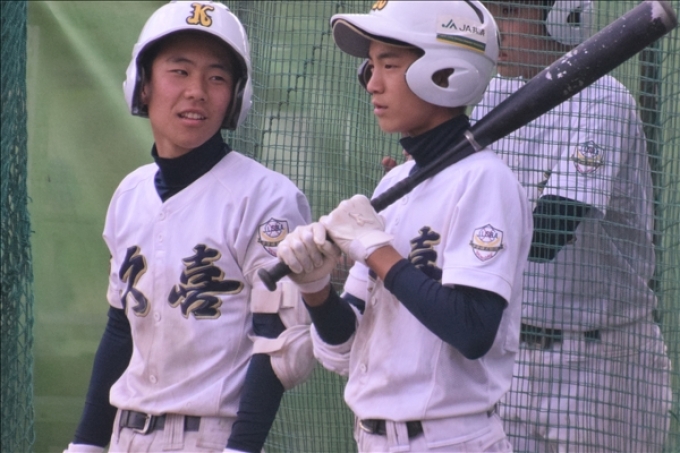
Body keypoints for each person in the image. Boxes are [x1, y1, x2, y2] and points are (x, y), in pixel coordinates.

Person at [276, 1, 534, 452]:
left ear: (445, 71)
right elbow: (343, 347)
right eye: (371, 66)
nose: (372, 83)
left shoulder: (484, 180)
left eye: (389, 65)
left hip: (451, 440)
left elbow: (472, 330)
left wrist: (376, 250)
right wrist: (315, 288)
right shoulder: (396, 182)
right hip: (372, 438)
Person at [63, 2, 316, 452]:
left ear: (235, 96)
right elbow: (121, 328)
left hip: (210, 436)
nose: (197, 91)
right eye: (179, 71)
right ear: (143, 84)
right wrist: (87, 443)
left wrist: (242, 448)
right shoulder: (130, 193)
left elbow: (278, 342)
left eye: (217, 77)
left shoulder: (268, 198)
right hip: (125, 434)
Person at [470, 1, 672, 452]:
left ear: (564, 16)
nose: (494, 31)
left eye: (510, 13)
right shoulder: (492, 93)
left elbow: (549, 232)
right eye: (490, 13)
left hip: (600, 366)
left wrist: (449, 220)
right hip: (510, 359)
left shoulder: (601, 100)